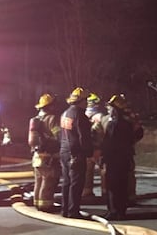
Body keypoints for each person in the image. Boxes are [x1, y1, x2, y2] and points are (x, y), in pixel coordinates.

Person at [59, 87, 94, 219]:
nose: (87, 103)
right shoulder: (80, 115)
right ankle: (73, 211)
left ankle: (65, 210)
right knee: (76, 183)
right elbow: (83, 137)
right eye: (86, 100)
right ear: (81, 100)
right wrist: (89, 152)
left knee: (67, 182)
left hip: (64, 151)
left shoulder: (65, 113)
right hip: (76, 153)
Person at [100, 94, 135, 220]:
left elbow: (108, 143)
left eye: (110, 107)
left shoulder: (112, 124)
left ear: (115, 109)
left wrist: (103, 157)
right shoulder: (128, 122)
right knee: (122, 185)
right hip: (124, 158)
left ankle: (113, 210)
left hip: (113, 159)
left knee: (113, 186)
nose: (109, 109)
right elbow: (133, 138)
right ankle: (120, 211)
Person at [28, 93, 61, 213]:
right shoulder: (51, 118)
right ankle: (46, 205)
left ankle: (37, 203)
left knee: (39, 180)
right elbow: (58, 135)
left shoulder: (36, 119)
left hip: (37, 155)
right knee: (48, 180)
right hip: (49, 155)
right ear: (50, 106)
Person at [112, 93, 144, 203]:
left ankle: (129, 197)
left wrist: (129, 143)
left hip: (124, 151)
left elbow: (138, 133)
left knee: (127, 174)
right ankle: (126, 197)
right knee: (124, 174)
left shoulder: (128, 119)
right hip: (121, 151)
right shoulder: (119, 118)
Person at [83, 92, 107, 199]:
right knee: (104, 169)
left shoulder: (83, 114)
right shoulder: (100, 116)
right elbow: (105, 132)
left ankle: (86, 192)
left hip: (87, 148)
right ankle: (105, 192)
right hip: (99, 148)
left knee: (87, 171)